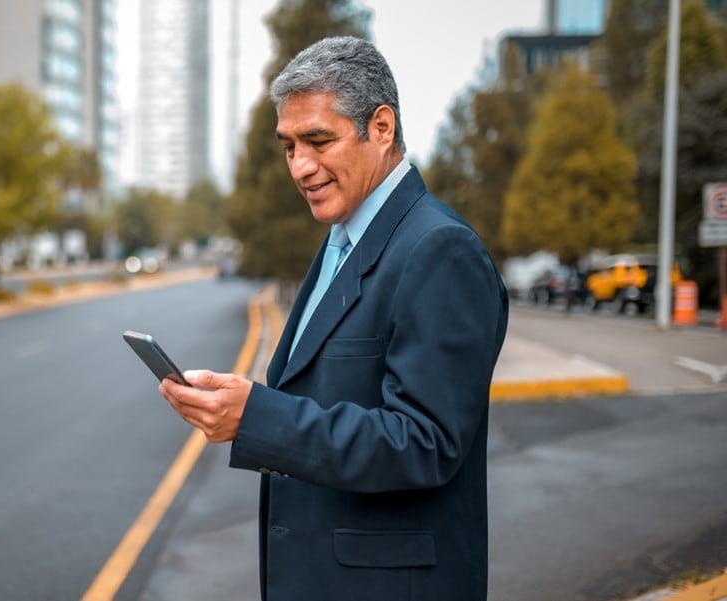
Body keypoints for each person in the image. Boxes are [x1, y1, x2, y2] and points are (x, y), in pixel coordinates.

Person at [158, 36, 508, 601]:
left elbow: (424, 441)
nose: (300, 166)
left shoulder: (440, 249)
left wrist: (256, 418)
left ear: (382, 128)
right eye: (289, 146)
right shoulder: (343, 237)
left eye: (318, 141)